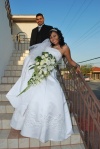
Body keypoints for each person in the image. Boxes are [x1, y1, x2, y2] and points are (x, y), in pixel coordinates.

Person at [6, 28, 80, 143]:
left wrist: (77, 65)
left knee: (54, 98)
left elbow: (70, 61)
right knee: (35, 98)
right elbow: (36, 57)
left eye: (54, 36)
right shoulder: (47, 47)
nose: (53, 39)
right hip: (40, 74)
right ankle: (32, 127)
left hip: (51, 76)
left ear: (59, 36)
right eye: (51, 37)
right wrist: (36, 67)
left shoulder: (65, 48)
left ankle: (51, 128)